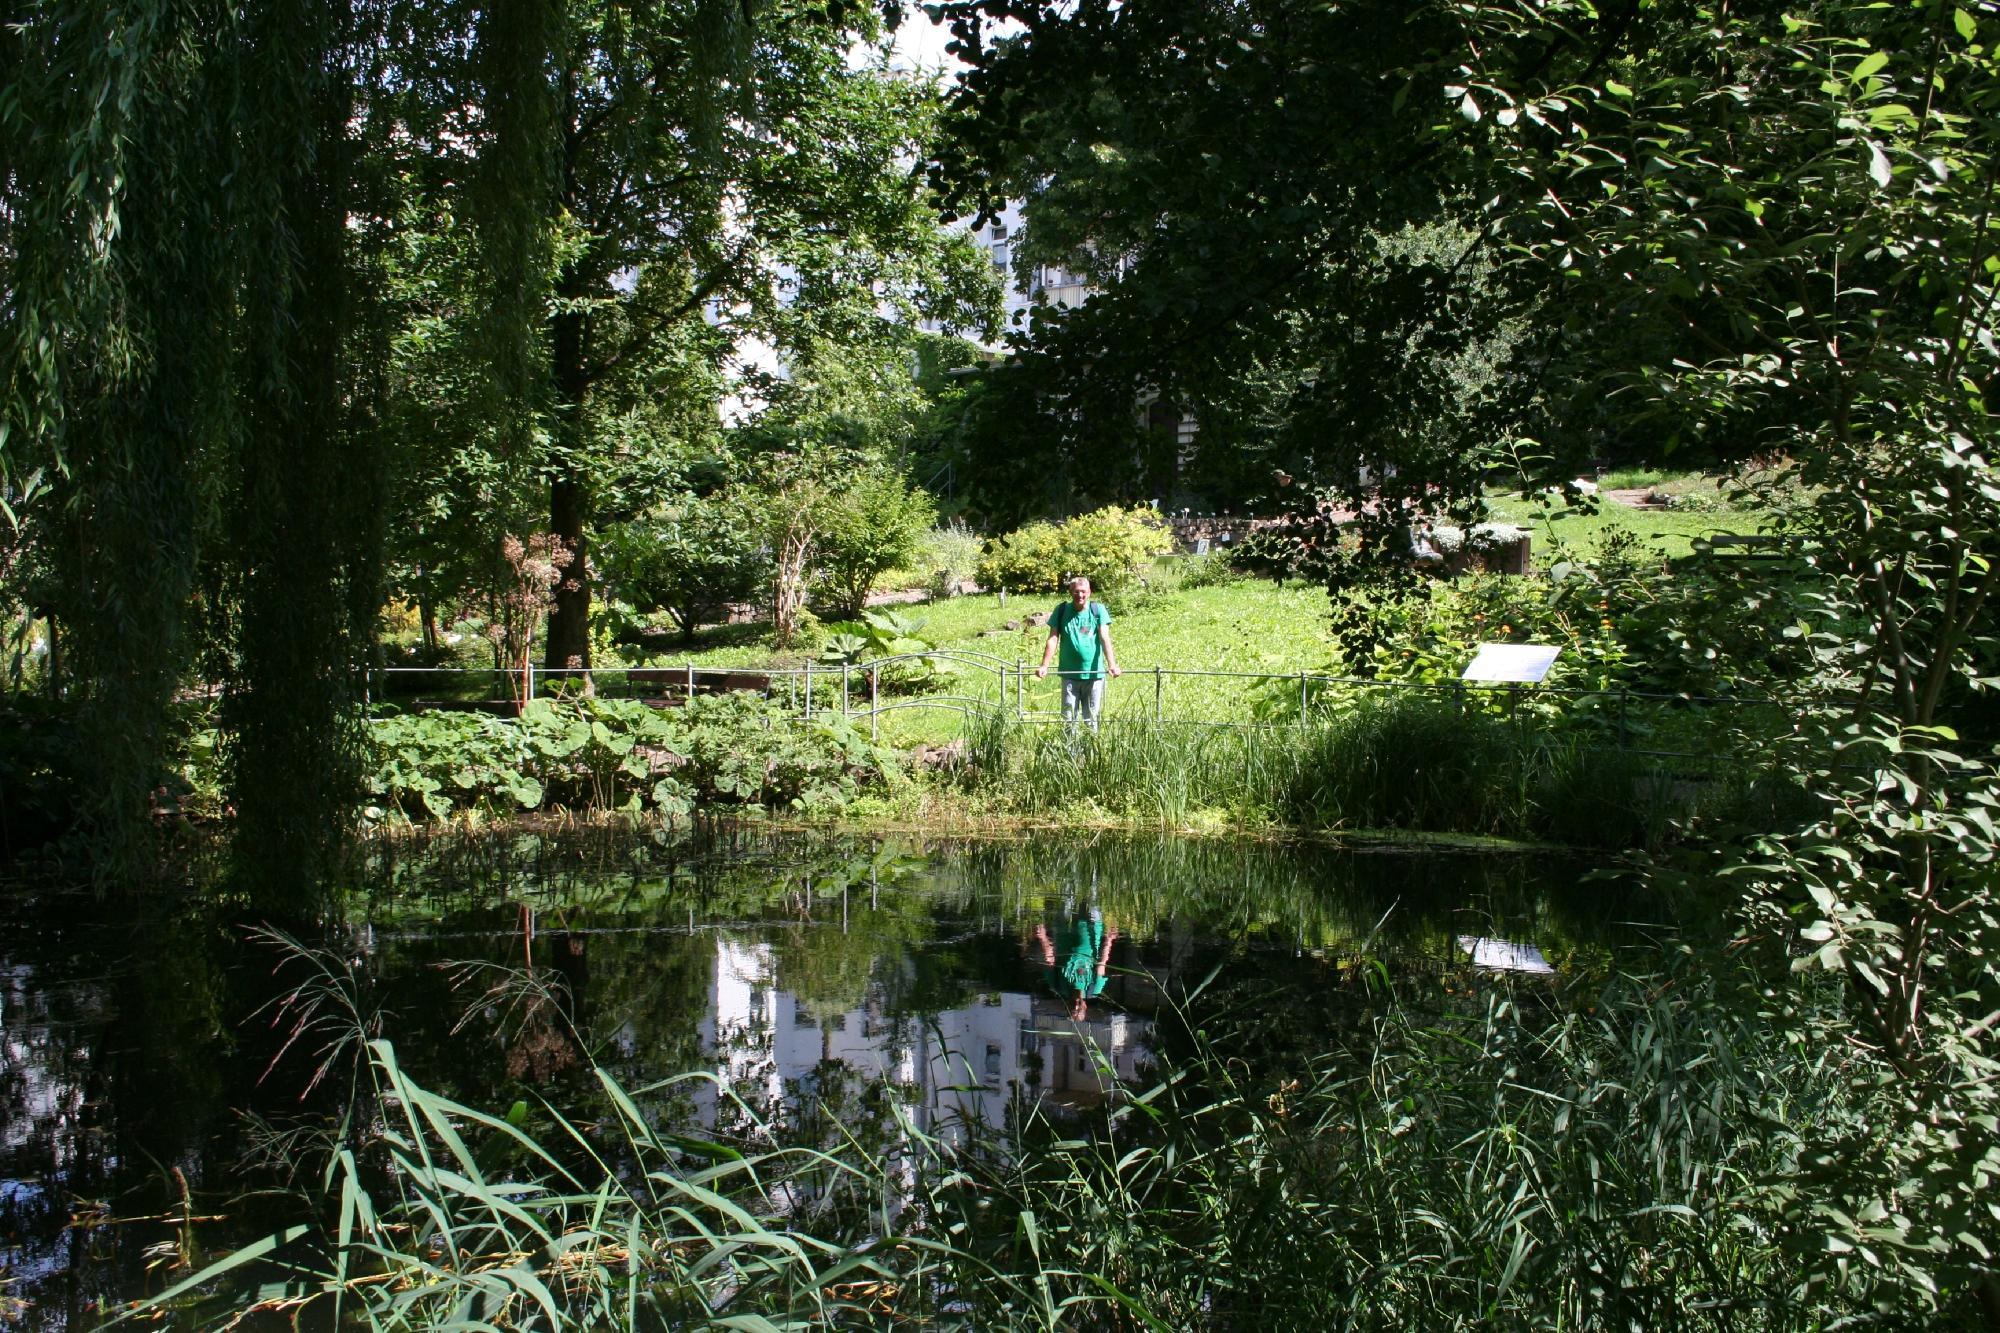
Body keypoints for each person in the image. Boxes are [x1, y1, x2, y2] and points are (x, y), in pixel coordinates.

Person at [1035, 575, 1121, 730]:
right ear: (1070, 592)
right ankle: (1069, 746)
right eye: (1076, 592)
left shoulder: (1098, 610)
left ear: (1089, 592)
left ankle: (1092, 746)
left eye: (1083, 591)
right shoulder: (1061, 610)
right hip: (1069, 674)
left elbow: (1104, 637)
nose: (1080, 595)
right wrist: (1044, 665)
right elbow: (1053, 639)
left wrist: (1112, 665)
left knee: (1092, 720)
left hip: (1094, 674)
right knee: (1068, 720)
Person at [1032, 911, 1119, 1022]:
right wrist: (1109, 939)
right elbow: (1102, 962)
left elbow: (1049, 959)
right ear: (1085, 1006)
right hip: (1092, 930)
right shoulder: (1094, 988)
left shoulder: (1057, 985)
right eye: (1079, 1008)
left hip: (1064, 930)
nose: (1076, 1005)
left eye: (1072, 1008)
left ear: (1067, 1005)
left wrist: (1042, 937)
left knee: (1066, 904)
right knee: (1095, 903)